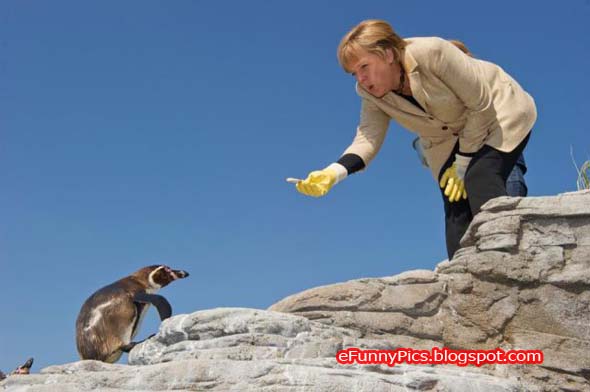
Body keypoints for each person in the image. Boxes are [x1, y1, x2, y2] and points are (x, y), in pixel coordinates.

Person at [292, 20, 536, 259]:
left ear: (388, 54)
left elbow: (480, 104)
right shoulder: (369, 94)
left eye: (364, 67)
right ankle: (462, 276)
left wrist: (462, 164)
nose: (361, 79)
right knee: (455, 208)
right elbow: (367, 138)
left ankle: (506, 256)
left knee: (479, 176)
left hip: (497, 114)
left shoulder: (432, 52)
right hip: (450, 139)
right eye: (354, 74)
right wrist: (334, 172)